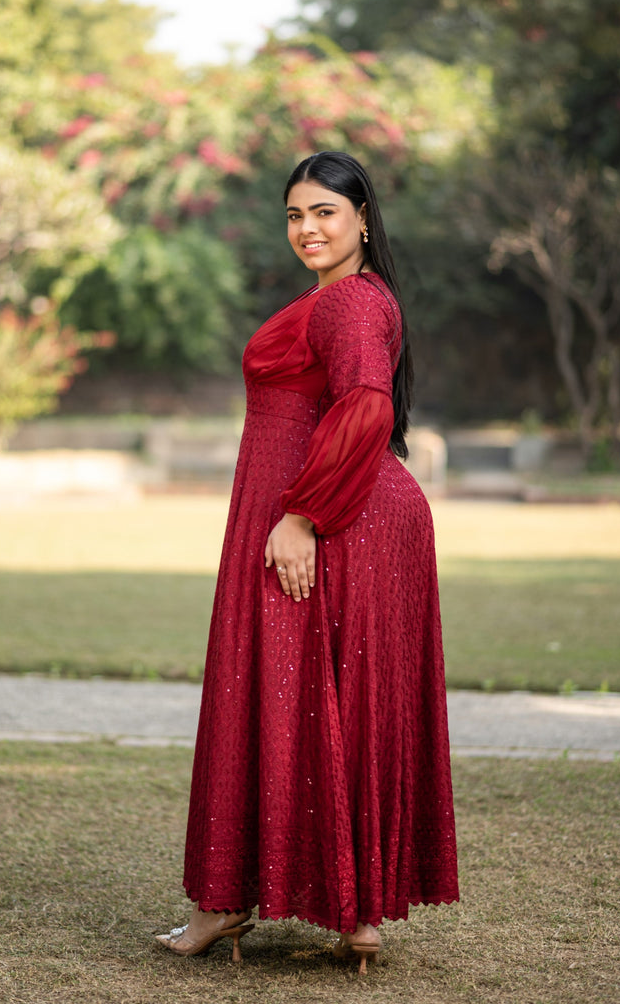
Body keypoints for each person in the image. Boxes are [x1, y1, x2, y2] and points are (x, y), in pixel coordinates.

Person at [156, 151, 458, 973]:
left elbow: (364, 407)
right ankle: (349, 917)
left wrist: (299, 518)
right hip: (337, 516)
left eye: (324, 211)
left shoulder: (352, 304)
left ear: (363, 218)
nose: (306, 229)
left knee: (296, 691)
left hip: (332, 521)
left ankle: (226, 906)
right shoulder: (337, 301)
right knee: (327, 698)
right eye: (293, 214)